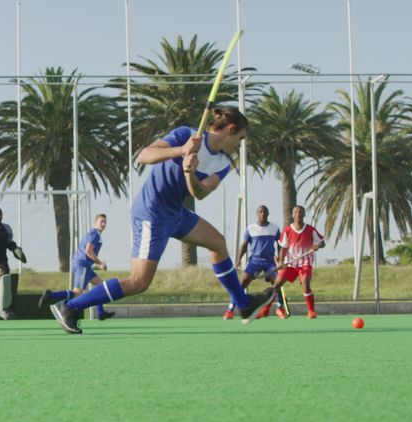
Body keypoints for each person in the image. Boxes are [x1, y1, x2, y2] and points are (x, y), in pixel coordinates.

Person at [49, 107, 275, 334]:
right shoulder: (186, 134)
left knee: (217, 242)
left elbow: (200, 193)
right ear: (230, 129)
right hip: (152, 212)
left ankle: (243, 305)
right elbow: (144, 155)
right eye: (240, 139)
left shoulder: (223, 162)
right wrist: (181, 150)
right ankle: (69, 306)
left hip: (176, 213)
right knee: (138, 282)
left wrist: (189, 173)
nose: (240, 145)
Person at [40, 213, 115, 320]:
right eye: (101, 221)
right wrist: (100, 263)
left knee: (101, 287)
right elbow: (88, 251)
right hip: (83, 265)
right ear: (96, 222)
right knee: (77, 293)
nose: (103, 224)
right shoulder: (95, 234)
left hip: (85, 266)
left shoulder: (93, 233)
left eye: (105, 222)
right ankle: (51, 295)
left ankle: (100, 312)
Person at [223, 205, 280, 320]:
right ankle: (230, 310)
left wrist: (280, 259)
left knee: (278, 283)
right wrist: (238, 260)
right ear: (257, 214)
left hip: (269, 262)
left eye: (265, 212)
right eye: (260, 211)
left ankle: (280, 308)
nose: (263, 214)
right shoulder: (251, 228)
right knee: (241, 283)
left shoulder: (274, 228)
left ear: (268, 213)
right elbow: (243, 246)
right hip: (255, 262)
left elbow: (281, 244)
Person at [271, 205, 325, 319]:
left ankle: (311, 311)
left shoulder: (310, 229)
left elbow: (322, 242)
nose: (298, 215)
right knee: (276, 285)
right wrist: (281, 262)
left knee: (305, 284)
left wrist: (318, 245)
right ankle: (277, 309)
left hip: (305, 263)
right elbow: (283, 248)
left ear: (304, 214)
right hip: (290, 264)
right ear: (292, 215)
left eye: (300, 212)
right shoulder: (287, 230)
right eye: (295, 212)